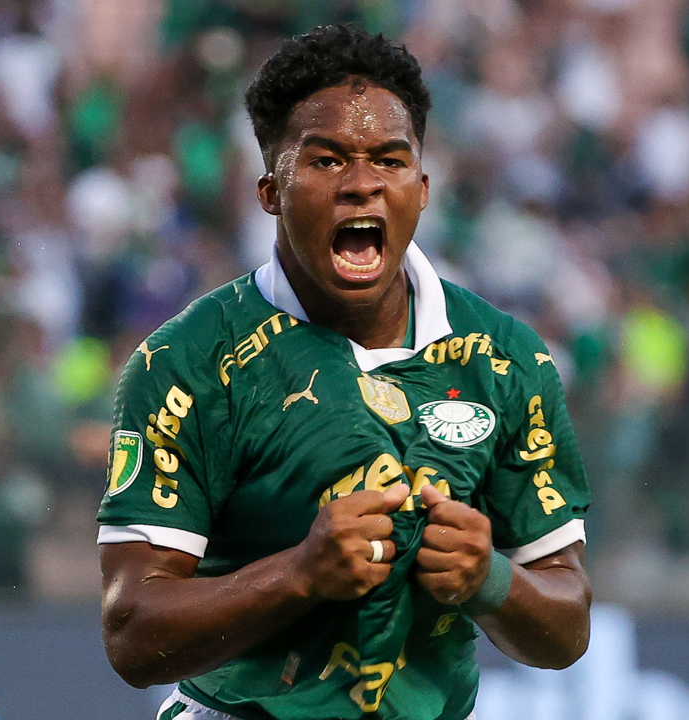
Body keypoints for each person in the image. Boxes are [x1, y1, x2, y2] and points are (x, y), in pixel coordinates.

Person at [98, 24, 592, 720]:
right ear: (271, 190)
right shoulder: (187, 363)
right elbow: (131, 635)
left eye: (389, 160)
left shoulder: (506, 358)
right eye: (327, 161)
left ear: (422, 189)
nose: (362, 185)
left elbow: (568, 626)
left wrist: (490, 579)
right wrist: (300, 574)